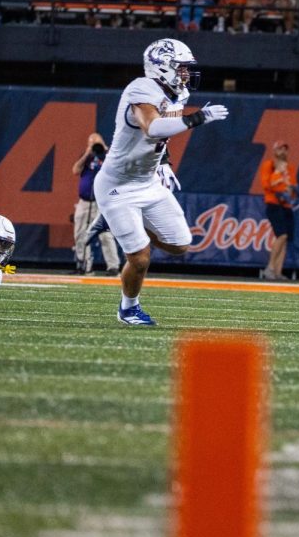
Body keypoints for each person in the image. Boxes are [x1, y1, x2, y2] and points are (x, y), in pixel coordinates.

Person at [98, 39, 229, 326]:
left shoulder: (177, 93)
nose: (185, 74)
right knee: (141, 258)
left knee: (181, 244)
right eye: (181, 68)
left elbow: (162, 136)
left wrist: (165, 162)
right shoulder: (141, 88)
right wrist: (199, 118)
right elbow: (153, 127)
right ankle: (128, 308)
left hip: (148, 183)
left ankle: (124, 225)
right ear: (161, 67)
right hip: (117, 186)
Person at [72, 133, 122, 276]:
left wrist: (105, 151)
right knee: (80, 234)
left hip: (103, 203)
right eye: (90, 142)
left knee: (105, 235)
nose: (94, 144)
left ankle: (113, 267)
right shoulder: (87, 157)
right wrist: (88, 153)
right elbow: (75, 170)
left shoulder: (109, 155)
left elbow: (116, 171)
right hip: (84, 202)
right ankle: (84, 266)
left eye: (96, 142)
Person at [259, 140, 299, 280]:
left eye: (285, 149)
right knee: (282, 235)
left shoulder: (289, 168)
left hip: (286, 205)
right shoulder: (269, 165)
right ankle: (270, 268)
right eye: (280, 149)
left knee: (285, 239)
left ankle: (277, 272)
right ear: (274, 151)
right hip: (273, 204)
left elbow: (293, 186)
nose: (283, 152)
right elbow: (267, 185)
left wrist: (287, 187)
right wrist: (279, 173)